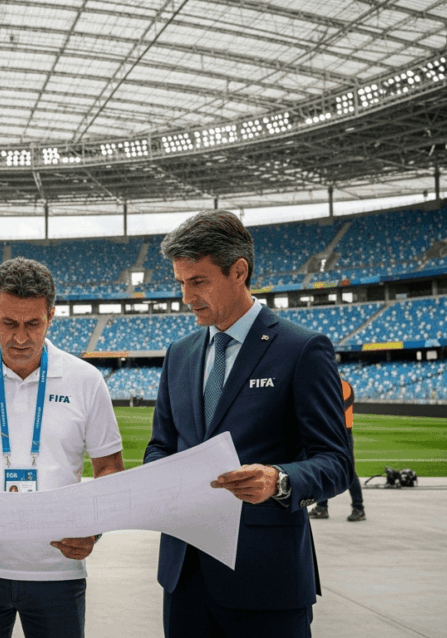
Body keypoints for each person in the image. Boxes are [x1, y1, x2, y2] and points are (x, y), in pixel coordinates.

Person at [143, 210, 353, 637]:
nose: (186, 296)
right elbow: (161, 444)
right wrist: (155, 477)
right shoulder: (178, 353)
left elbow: (335, 461)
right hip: (184, 576)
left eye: (198, 281)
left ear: (239, 271)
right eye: (180, 282)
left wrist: (278, 479)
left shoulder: (302, 349)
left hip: (266, 580)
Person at [0, 257, 125, 638]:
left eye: (33, 323)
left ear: (51, 315)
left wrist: (93, 530)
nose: (20, 338)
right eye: (9, 323)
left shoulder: (86, 380)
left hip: (57, 570)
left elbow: (109, 468)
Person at [310, 376, 366, 521]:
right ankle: (322, 508)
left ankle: (359, 508)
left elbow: (336, 407)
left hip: (343, 433)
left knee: (349, 472)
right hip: (328, 431)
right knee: (322, 468)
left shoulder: (344, 386)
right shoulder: (326, 385)